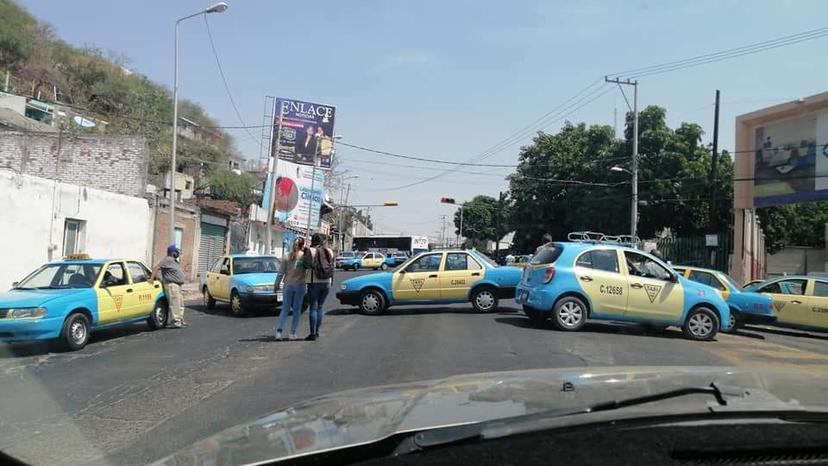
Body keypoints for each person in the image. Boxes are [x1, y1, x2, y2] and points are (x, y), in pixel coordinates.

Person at [275, 237, 308, 341]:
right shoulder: (304, 257)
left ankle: (279, 332)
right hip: (300, 285)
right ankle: (292, 333)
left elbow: (281, 273)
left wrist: (276, 284)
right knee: (297, 310)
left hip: (288, 285)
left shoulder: (286, 257)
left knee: (285, 309)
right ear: (302, 245)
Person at [149, 245, 187, 328]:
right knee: (174, 304)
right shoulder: (167, 260)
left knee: (180, 304)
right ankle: (176, 322)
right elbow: (157, 267)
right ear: (172, 252)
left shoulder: (174, 261)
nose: (178, 253)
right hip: (172, 285)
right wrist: (152, 278)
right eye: (176, 252)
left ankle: (180, 319)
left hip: (178, 285)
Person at [305, 233, 334, 341]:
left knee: (313, 307)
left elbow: (306, 265)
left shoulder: (310, 250)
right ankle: (317, 332)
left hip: (313, 282)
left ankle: (312, 333)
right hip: (326, 282)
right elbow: (332, 267)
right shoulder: (329, 251)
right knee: (320, 307)